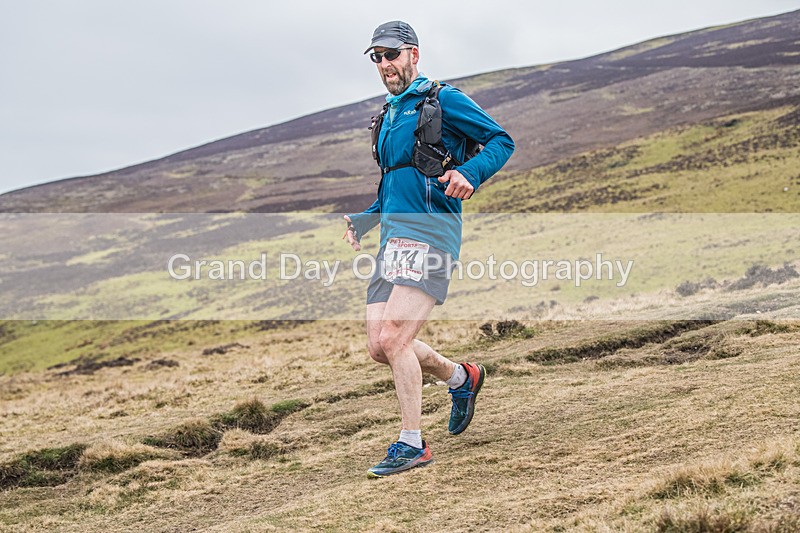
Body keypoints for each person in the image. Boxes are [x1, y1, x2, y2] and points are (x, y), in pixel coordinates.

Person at [343, 20, 514, 478]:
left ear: (413, 55)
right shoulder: (388, 115)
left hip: (431, 233)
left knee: (397, 335)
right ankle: (462, 378)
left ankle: (412, 443)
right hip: (392, 239)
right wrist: (366, 218)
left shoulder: (443, 100)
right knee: (380, 346)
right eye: (376, 57)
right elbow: (396, 182)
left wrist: (471, 174)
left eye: (391, 55)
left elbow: (502, 140)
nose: (384, 64)